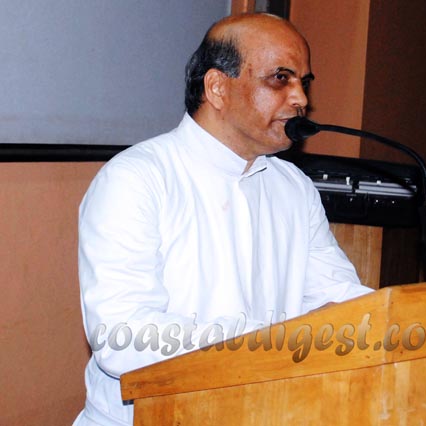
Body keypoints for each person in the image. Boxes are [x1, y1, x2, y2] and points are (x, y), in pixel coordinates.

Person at [74, 13, 372, 425]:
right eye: (280, 79)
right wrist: (271, 341)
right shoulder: (136, 179)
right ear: (217, 87)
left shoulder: (293, 187)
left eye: (303, 82)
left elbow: (336, 299)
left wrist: (399, 322)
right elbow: (121, 340)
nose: (300, 99)